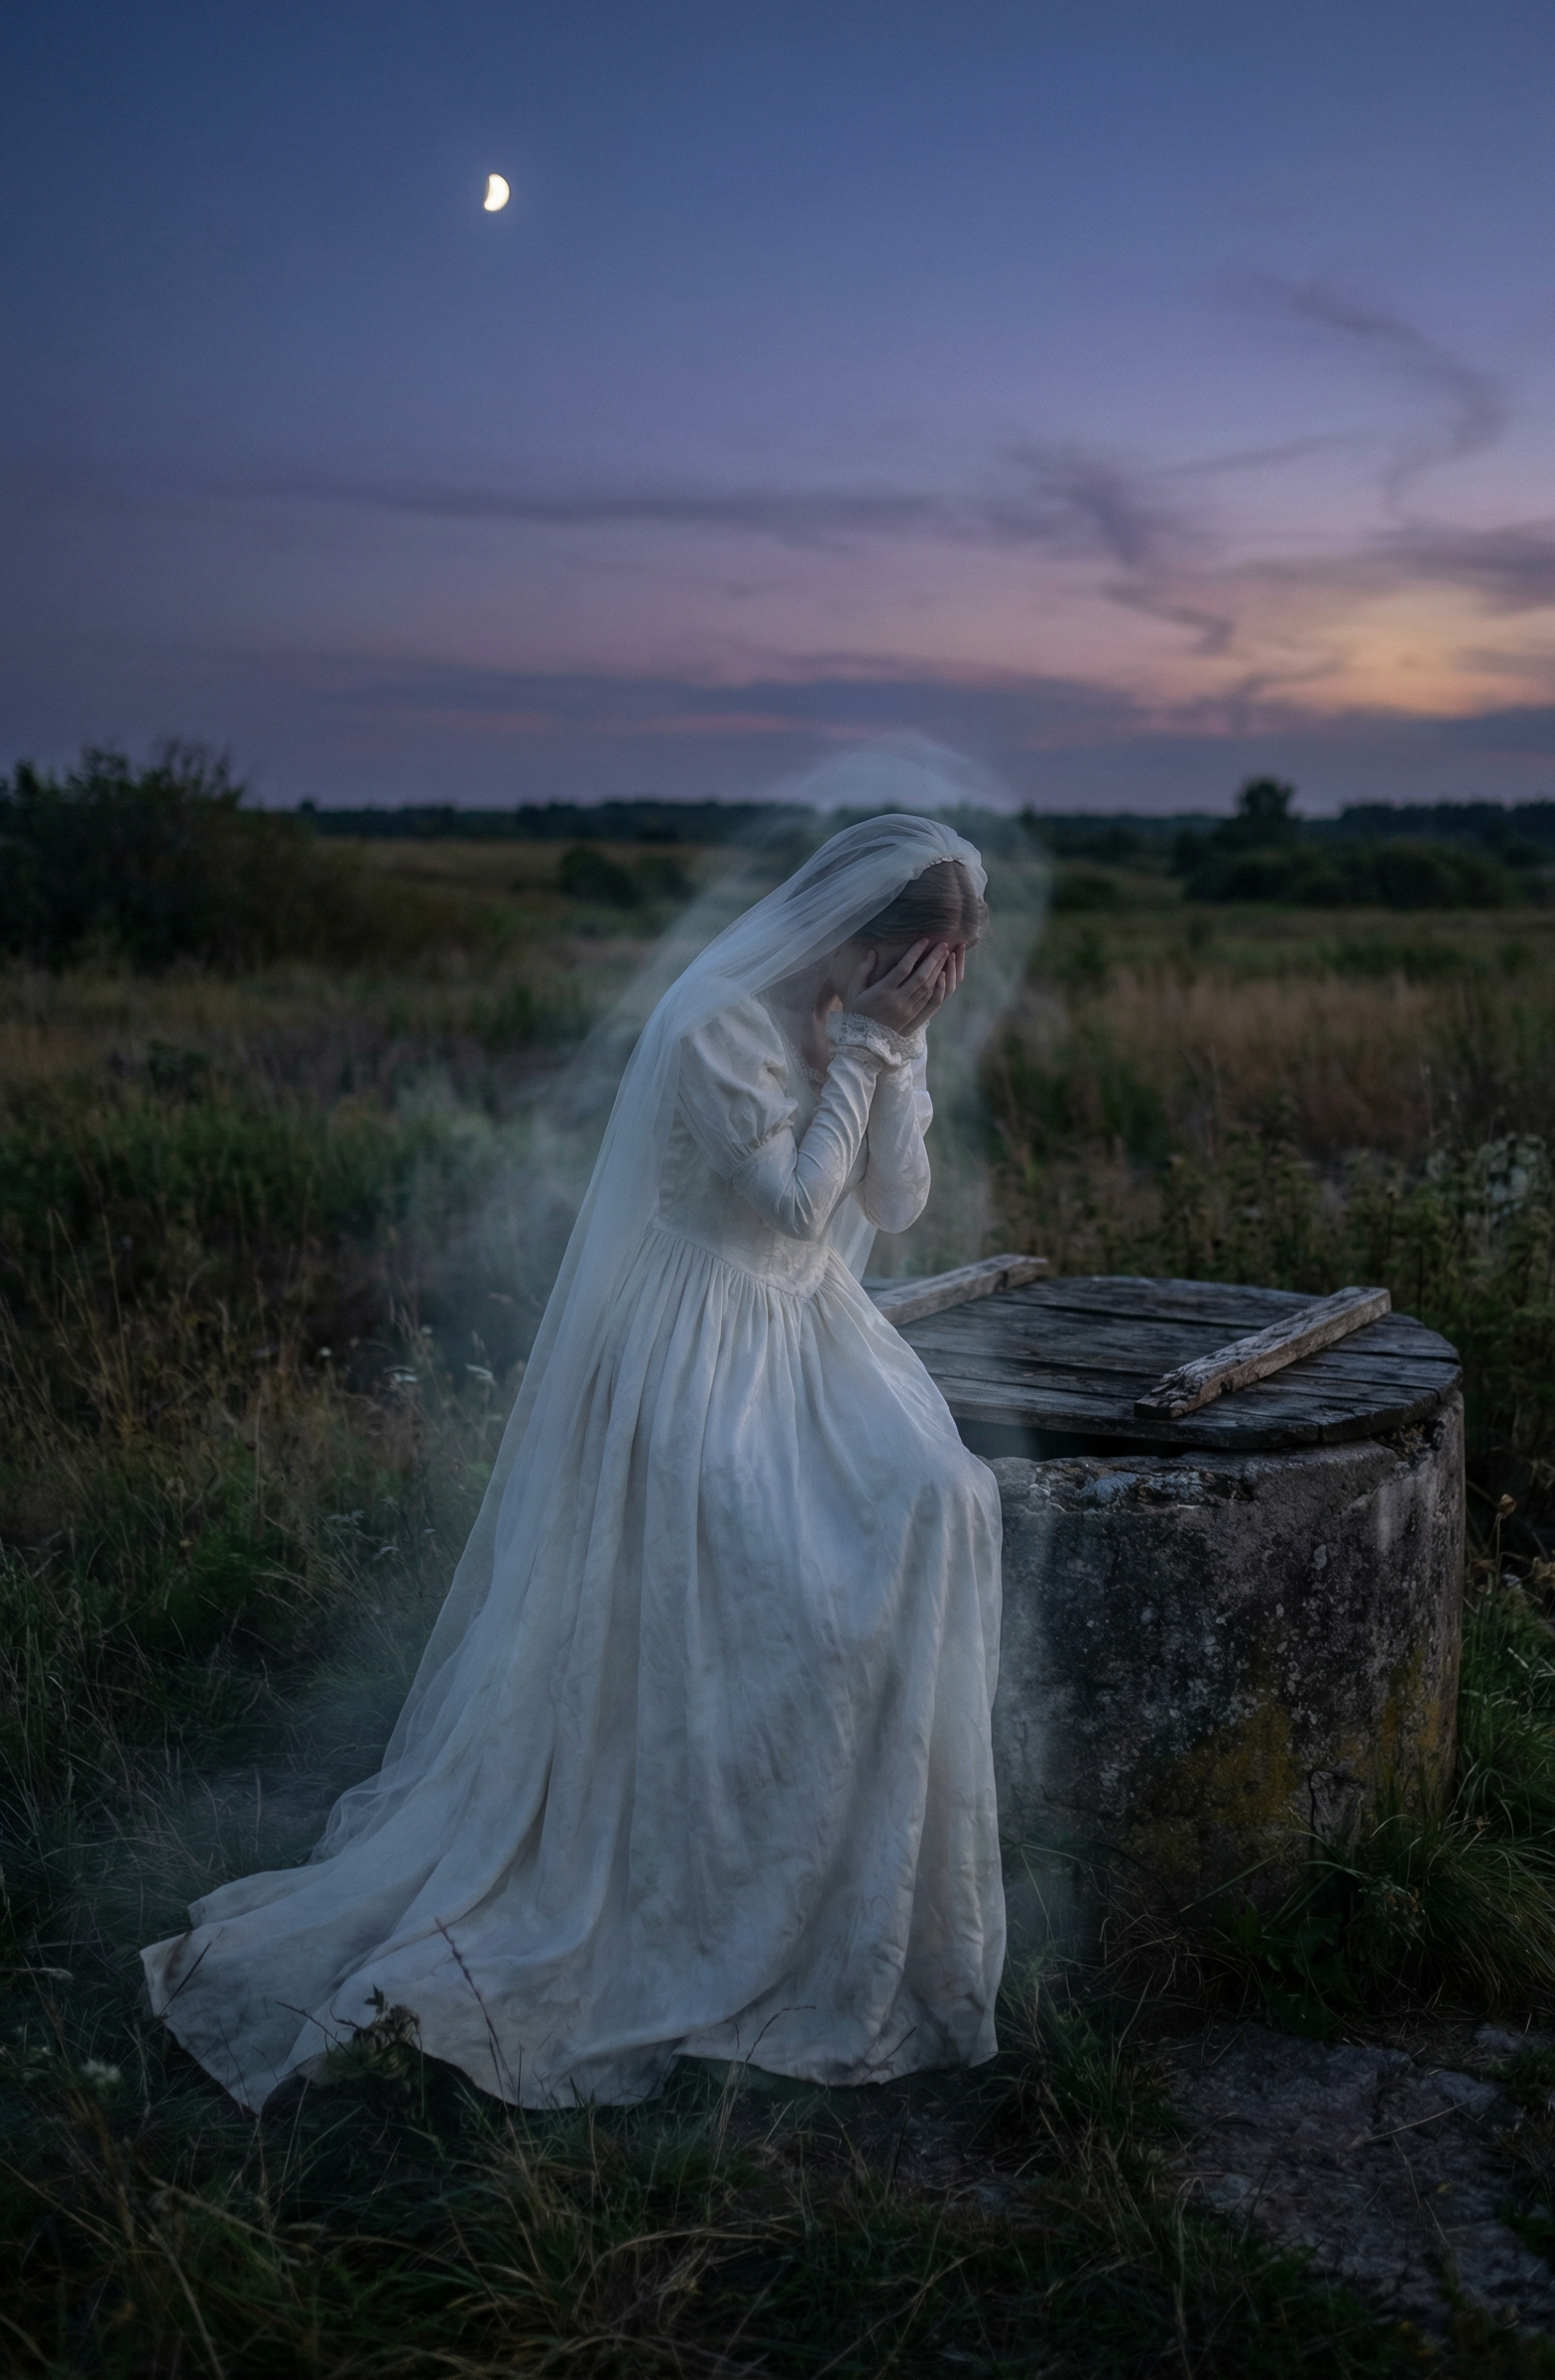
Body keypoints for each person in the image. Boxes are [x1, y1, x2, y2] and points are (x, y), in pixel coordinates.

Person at [142, 815, 1005, 2111]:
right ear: (857, 943)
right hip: (697, 1331)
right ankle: (695, 1861)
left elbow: (890, 1206)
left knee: (942, 1495)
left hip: (806, 1324)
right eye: (917, 967)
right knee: (769, 1548)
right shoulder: (720, 1019)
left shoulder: (873, 1018)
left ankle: (852, 1874)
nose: (928, 990)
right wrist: (868, 1050)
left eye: (946, 973)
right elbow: (788, 1206)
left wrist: (897, 1059)